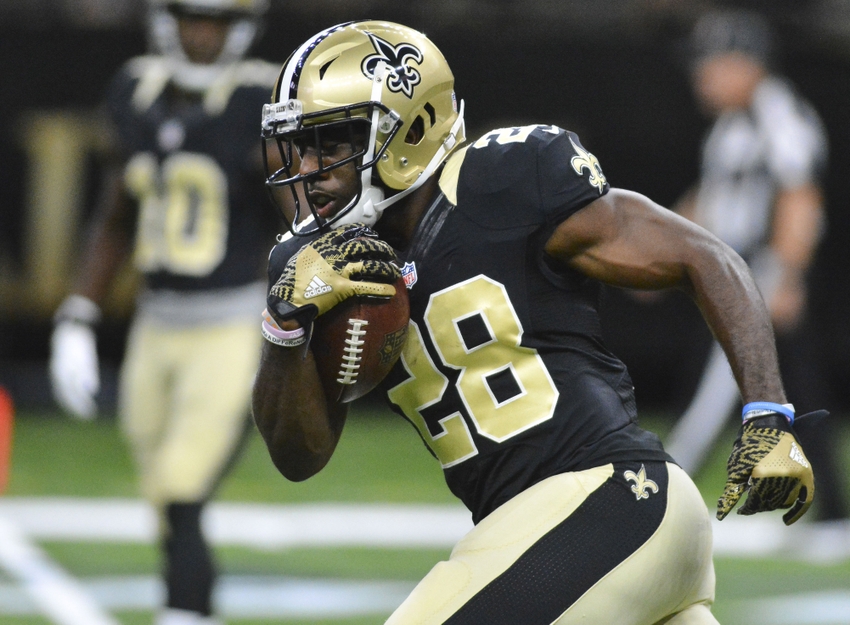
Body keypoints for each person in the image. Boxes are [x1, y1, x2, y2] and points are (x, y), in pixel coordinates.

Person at [252, 20, 817, 623]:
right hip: (552, 537)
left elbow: (705, 256)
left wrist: (767, 414)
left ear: (410, 129)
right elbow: (298, 457)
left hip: (609, 499)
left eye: (332, 143)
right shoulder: (317, 263)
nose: (311, 170)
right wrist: (284, 327)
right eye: (301, 146)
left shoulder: (501, 180)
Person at [48, 1, 280, 623]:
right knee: (162, 497)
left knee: (183, 486)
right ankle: (193, 606)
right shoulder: (135, 89)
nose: (202, 34)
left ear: (241, 29)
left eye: (217, 22)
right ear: (165, 20)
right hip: (156, 322)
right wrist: (77, 314)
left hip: (231, 322)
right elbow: (115, 214)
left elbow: (302, 218)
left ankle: (181, 612)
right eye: (191, 18)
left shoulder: (263, 99)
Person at [663, 10, 849, 534]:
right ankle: (832, 514)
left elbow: (800, 196)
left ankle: (656, 487)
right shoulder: (729, 127)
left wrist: (787, 274)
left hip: (758, 273)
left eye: (711, 65)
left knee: (713, 390)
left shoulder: (781, 116)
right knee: (795, 390)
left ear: (744, 64)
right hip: (733, 270)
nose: (701, 77)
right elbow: (710, 200)